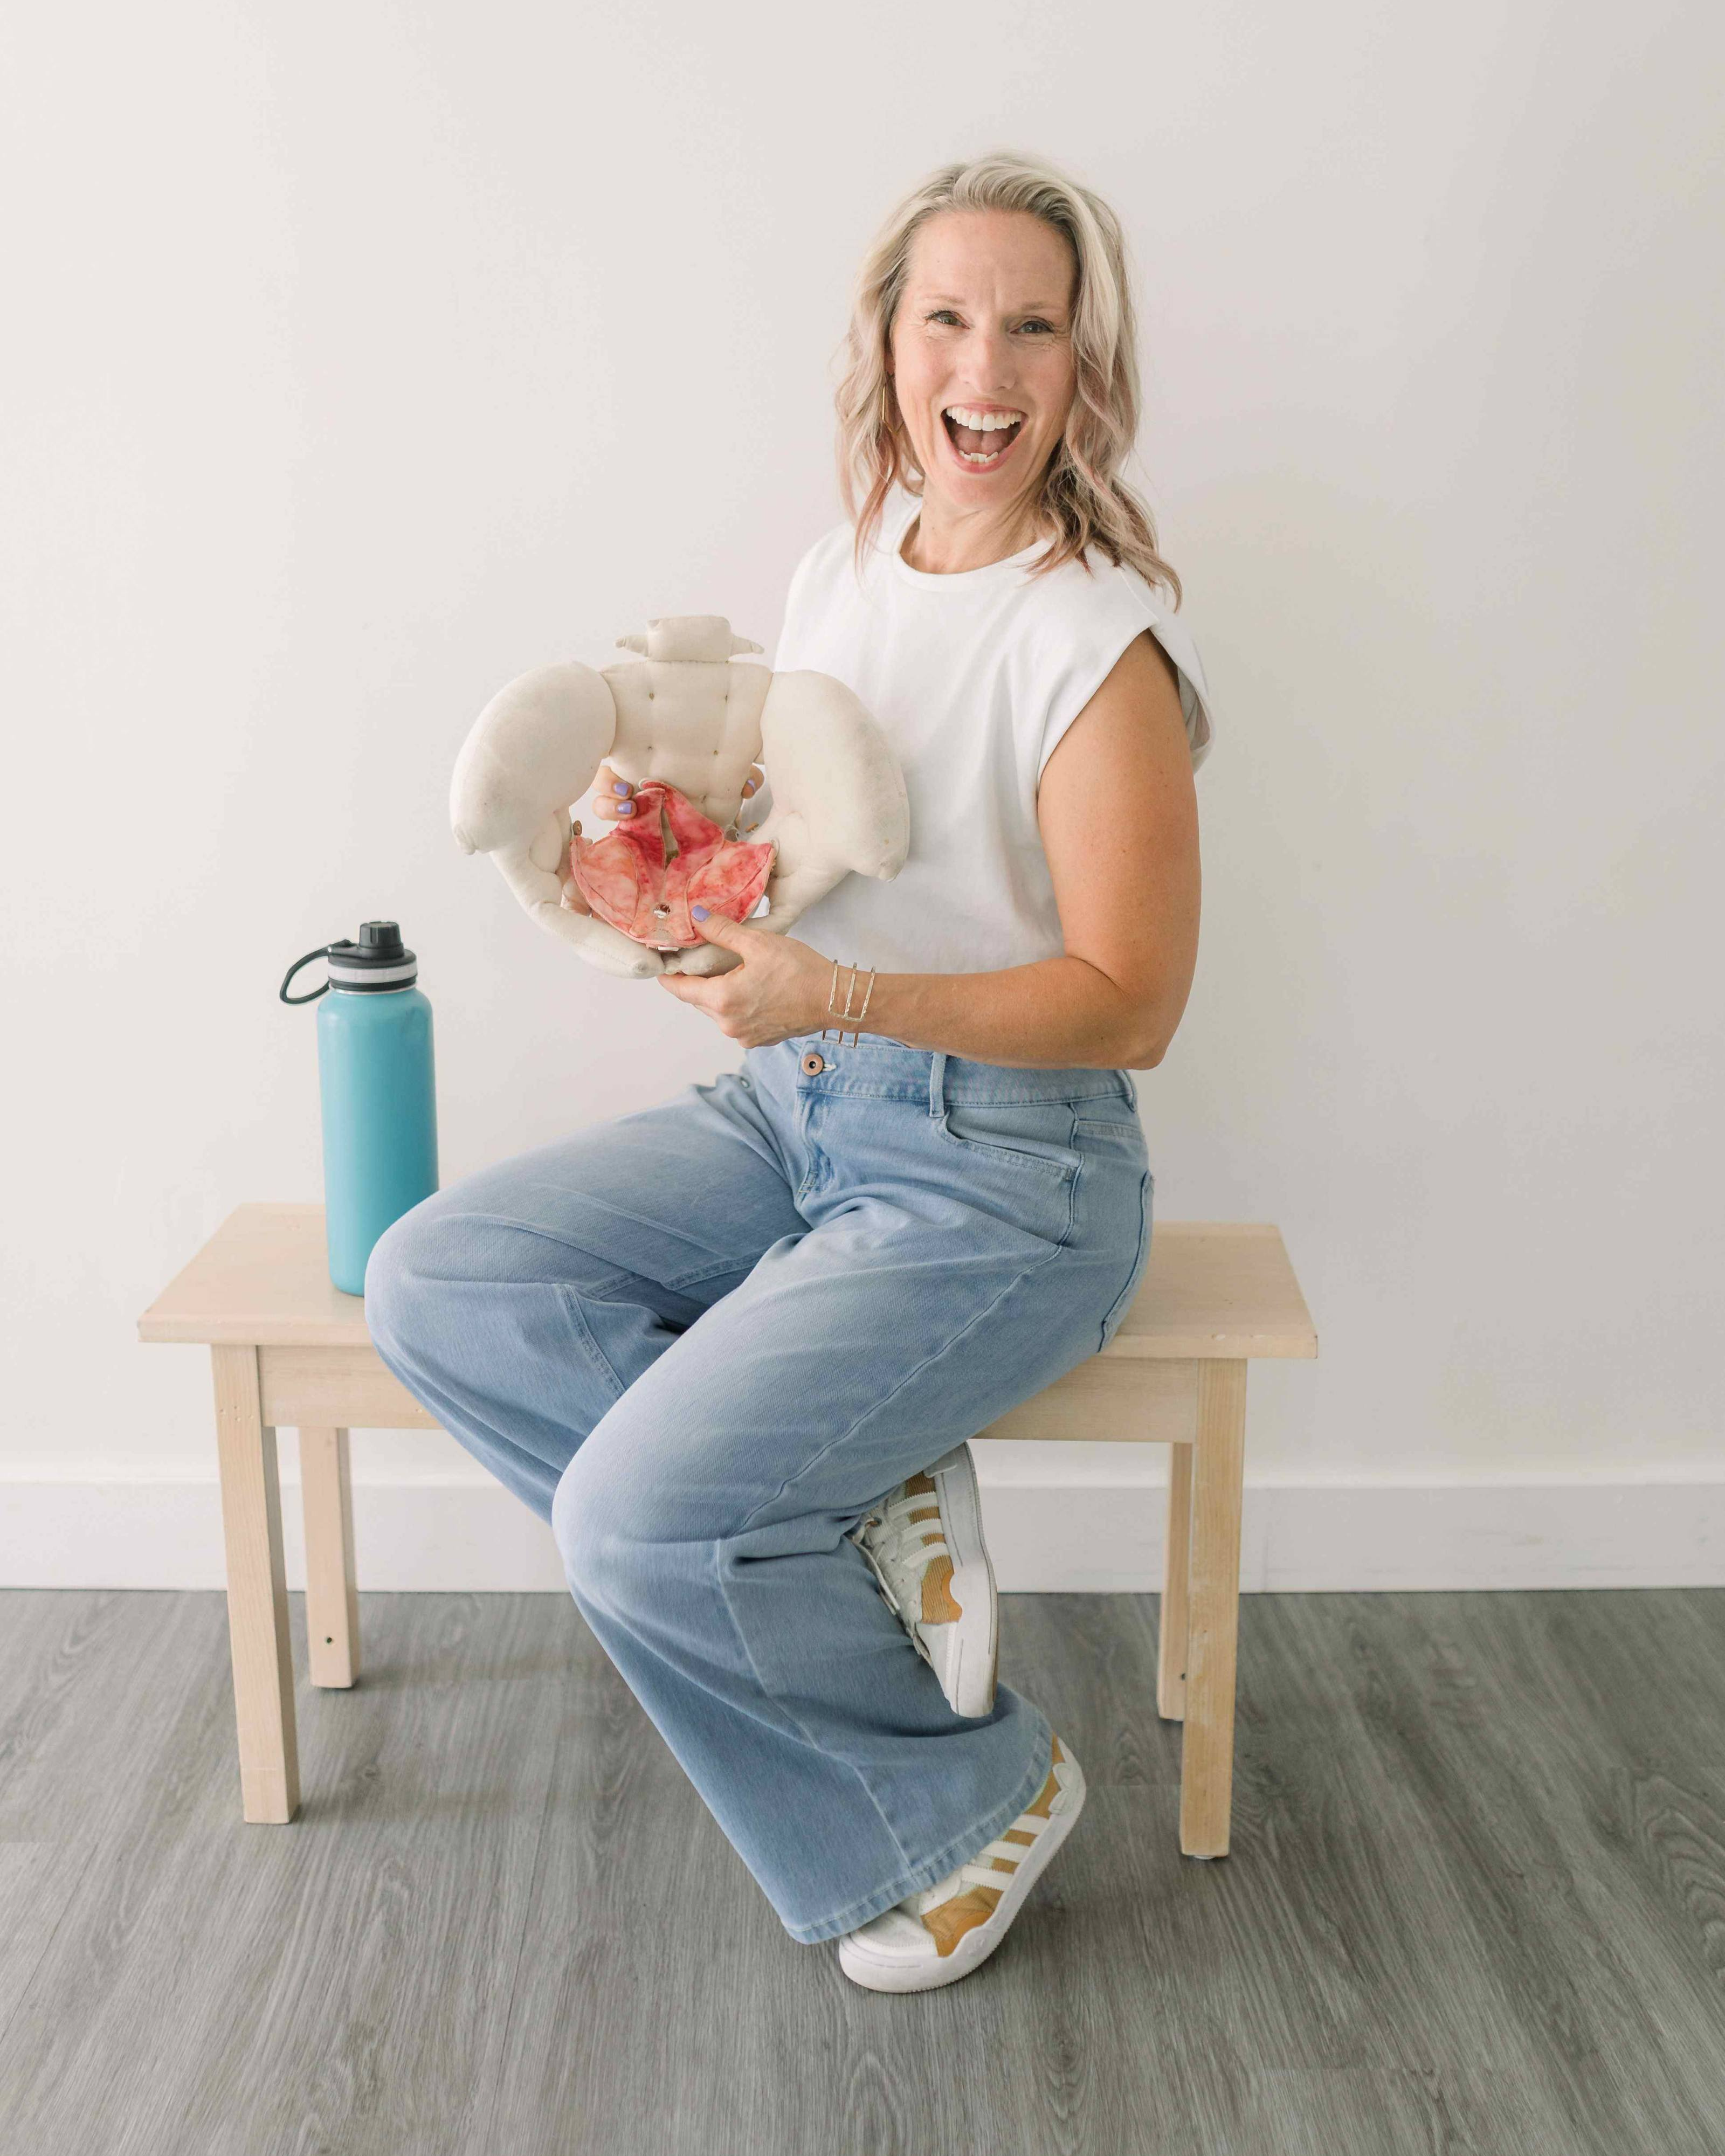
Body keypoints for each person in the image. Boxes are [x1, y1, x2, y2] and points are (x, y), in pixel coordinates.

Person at [365, 149, 1215, 1994]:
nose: (984, 367)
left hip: (1009, 1170)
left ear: (1083, 371)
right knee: (443, 1279)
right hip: (801, 1103)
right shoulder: (846, 570)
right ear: (889, 344)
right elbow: (822, 836)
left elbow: (1130, 1000)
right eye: (947, 318)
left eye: (1033, 327)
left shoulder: (1096, 647)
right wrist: (675, 845)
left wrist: (835, 987)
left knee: (634, 1516)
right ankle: (838, 1513)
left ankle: (966, 1798)